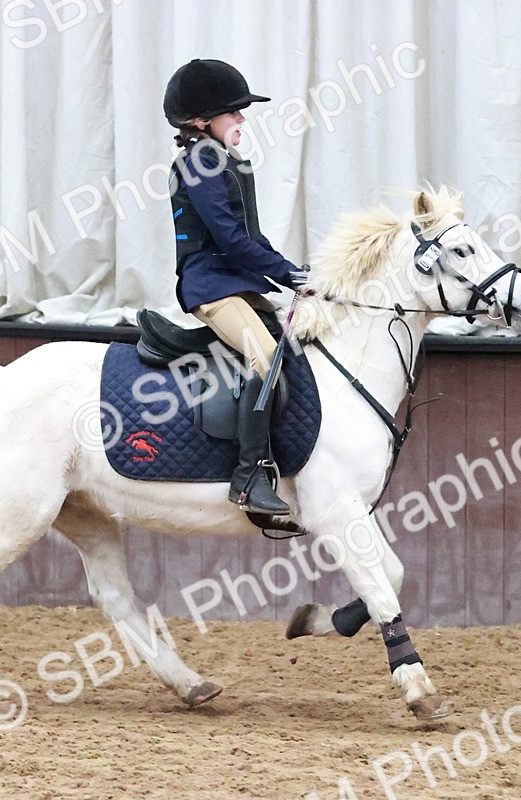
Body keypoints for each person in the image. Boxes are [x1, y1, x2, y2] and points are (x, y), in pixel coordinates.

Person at [164, 58, 303, 516]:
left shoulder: (228, 162)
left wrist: (295, 273)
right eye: (234, 112)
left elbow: (253, 237)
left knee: (299, 343)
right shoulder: (200, 161)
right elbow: (229, 239)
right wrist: (286, 274)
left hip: (237, 284)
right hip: (212, 288)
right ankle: (248, 478)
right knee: (267, 361)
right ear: (203, 120)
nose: (243, 118)